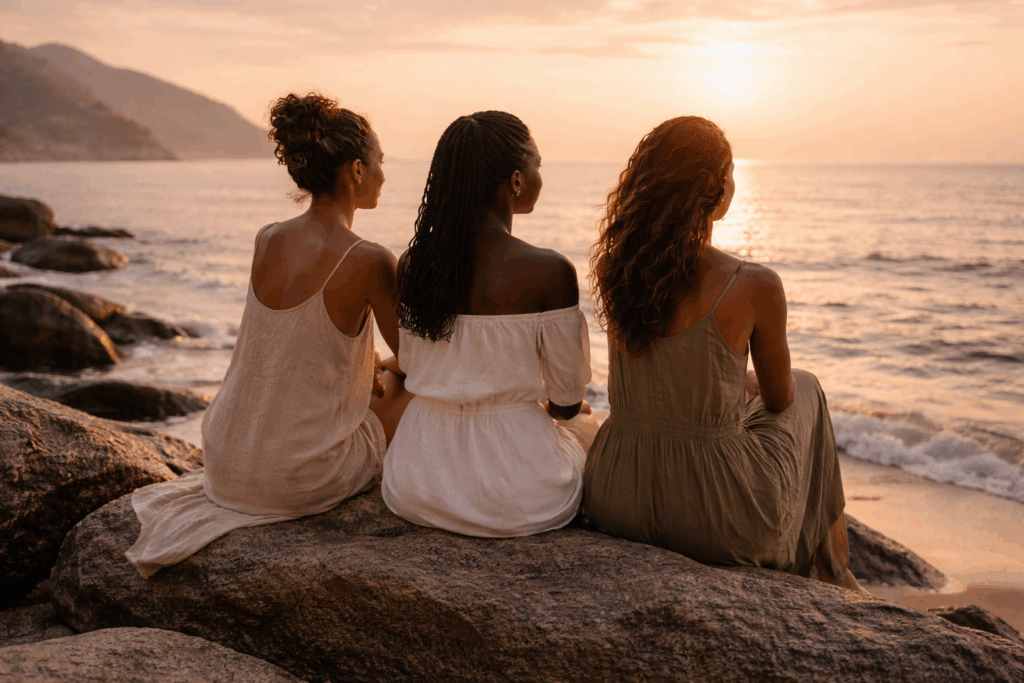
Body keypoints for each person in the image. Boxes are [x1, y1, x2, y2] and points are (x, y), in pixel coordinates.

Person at [125, 93, 412, 577]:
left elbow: (294, 346)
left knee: (384, 375)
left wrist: (371, 367)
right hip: (298, 476)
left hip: (226, 459)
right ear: (357, 171)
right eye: (381, 161)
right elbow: (418, 359)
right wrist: (382, 368)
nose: (386, 172)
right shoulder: (369, 259)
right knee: (412, 388)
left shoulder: (268, 237)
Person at [583, 116, 864, 591]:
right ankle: (836, 571)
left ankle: (835, 570)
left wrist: (734, 382)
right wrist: (750, 384)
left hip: (618, 493)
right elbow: (779, 399)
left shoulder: (617, 268)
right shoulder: (753, 284)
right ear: (714, 189)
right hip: (714, 512)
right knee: (809, 388)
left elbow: (664, 371)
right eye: (729, 172)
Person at [380, 111, 597, 538]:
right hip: (517, 495)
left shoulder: (413, 264)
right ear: (516, 181)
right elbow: (566, 403)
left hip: (416, 480)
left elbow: (415, 363)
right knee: (588, 428)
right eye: (537, 165)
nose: (540, 176)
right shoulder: (550, 271)